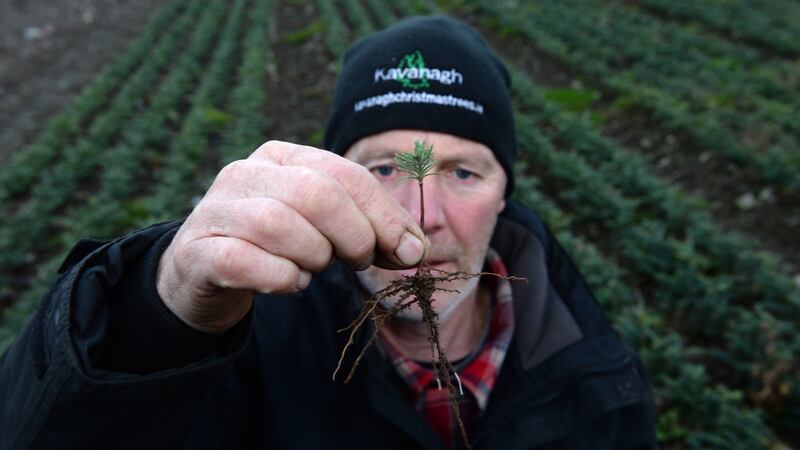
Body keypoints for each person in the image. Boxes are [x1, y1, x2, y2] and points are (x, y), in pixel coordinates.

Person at [0, 15, 656, 450]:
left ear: (505, 192)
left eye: (462, 172)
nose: (420, 216)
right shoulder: (251, 348)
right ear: (336, 177)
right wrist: (156, 314)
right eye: (382, 168)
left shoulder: (598, 381)